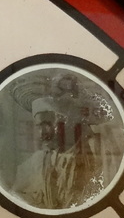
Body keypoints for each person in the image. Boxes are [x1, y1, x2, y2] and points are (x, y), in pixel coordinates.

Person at [8, 75, 111, 210]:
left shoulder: (99, 154)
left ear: (68, 121)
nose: (41, 134)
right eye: (39, 126)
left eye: (47, 124)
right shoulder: (34, 165)